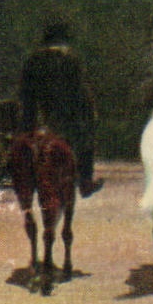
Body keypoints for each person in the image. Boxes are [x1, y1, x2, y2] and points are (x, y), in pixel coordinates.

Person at [19, 21, 101, 198]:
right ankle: (85, 181)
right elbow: (80, 91)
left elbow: (25, 93)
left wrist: (28, 121)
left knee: (23, 145)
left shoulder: (32, 60)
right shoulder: (71, 58)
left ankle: (26, 181)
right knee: (86, 140)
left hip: (40, 115)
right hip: (67, 118)